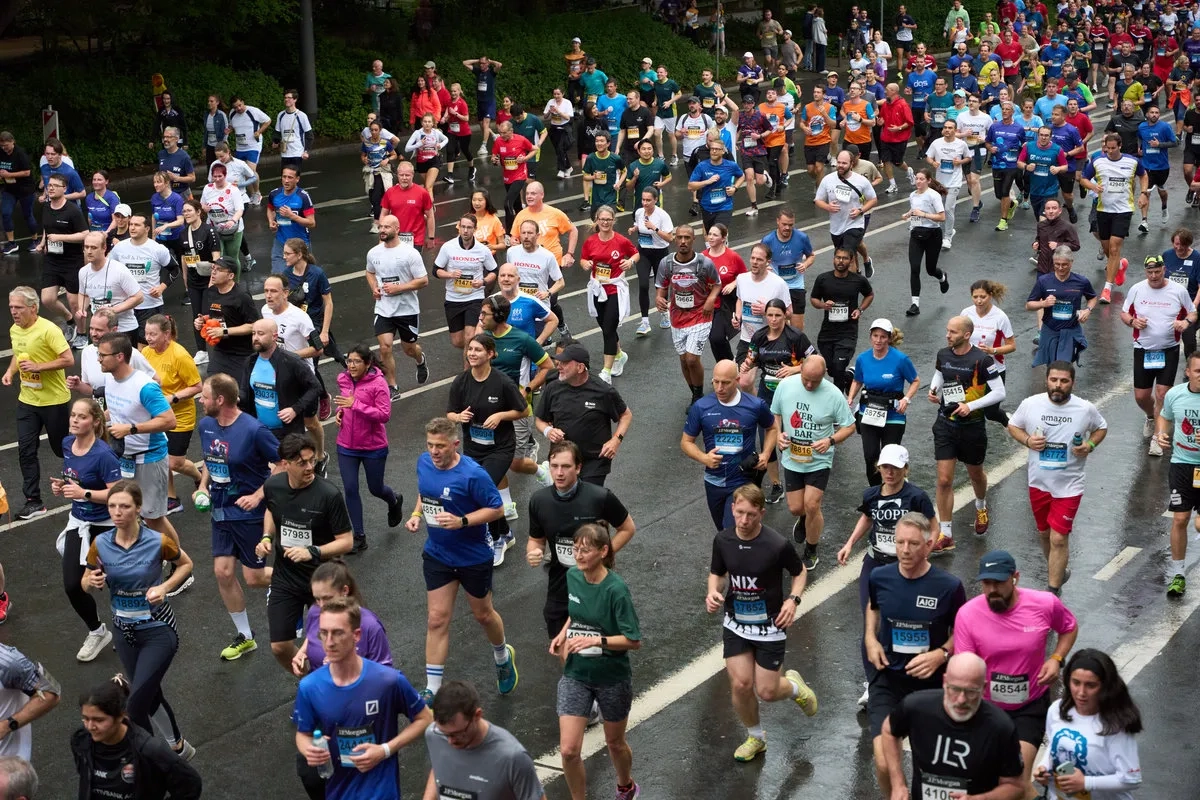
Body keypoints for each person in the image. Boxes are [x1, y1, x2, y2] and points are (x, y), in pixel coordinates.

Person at [404, 417, 516, 701]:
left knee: (483, 614)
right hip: (438, 554)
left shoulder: (473, 475)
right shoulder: (424, 463)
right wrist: (417, 515)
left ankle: (503, 656)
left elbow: (497, 510)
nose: (434, 451)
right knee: (436, 619)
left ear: (455, 444)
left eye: (440, 446)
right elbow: (425, 491)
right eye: (430, 445)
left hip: (472, 556)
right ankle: (433, 688)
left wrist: (463, 520)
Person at [83, 478, 195, 757]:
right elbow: (85, 579)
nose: (117, 512)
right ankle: (178, 749)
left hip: (158, 630)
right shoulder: (100, 544)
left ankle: (151, 762)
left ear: (138, 509)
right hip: (124, 632)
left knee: (134, 706)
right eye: (112, 506)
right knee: (150, 694)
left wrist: (165, 587)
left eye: (124, 506)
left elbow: (186, 564)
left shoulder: (158, 541)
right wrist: (92, 581)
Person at [705, 483, 815, 763]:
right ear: (733, 508)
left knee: (767, 691)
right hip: (736, 624)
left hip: (770, 626)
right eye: (739, 512)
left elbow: (800, 572)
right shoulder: (723, 540)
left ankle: (793, 687)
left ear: (762, 513)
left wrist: (793, 600)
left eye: (751, 514)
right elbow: (716, 573)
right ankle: (756, 737)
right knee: (741, 684)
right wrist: (713, 592)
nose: (744, 520)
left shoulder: (776, 544)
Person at [955, 550, 1080, 794]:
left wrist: (1056, 658)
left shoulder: (1044, 603)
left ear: (1015, 578)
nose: (992, 589)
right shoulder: (968, 614)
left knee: (1016, 780)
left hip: (1028, 707)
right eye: (986, 583)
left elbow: (1069, 627)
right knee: (987, 781)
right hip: (985, 710)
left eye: (999, 583)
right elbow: (965, 666)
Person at [866, 512, 969, 799]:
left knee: (928, 767)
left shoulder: (949, 587)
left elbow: (965, 632)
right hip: (889, 679)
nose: (905, 550)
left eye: (912, 543)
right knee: (884, 761)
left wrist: (942, 654)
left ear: (928, 545)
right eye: (900, 542)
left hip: (931, 685)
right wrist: (870, 638)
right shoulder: (880, 577)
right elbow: (873, 607)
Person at [294, 597, 432, 800]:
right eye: (324, 633)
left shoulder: (387, 681)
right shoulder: (309, 687)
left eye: (338, 633)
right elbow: (302, 734)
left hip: (382, 792)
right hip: (339, 791)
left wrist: (385, 750)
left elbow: (425, 718)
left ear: (356, 635)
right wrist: (309, 750)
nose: (329, 642)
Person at [835, 445, 936, 706]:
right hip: (875, 564)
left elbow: (932, 527)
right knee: (872, 625)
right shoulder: (871, 495)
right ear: (878, 468)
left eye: (895, 468)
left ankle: (909, 678)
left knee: (906, 623)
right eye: (885, 467)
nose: (889, 473)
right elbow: (868, 519)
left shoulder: (916, 497)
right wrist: (849, 544)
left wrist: (925, 551)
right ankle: (873, 683)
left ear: (906, 469)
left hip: (905, 567)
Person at [550, 524, 642, 800]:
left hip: (611, 676)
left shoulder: (616, 590)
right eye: (576, 548)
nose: (578, 555)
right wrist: (564, 632)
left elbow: (633, 640)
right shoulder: (573, 577)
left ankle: (626, 785)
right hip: (576, 672)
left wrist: (596, 641)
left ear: (603, 551)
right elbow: (576, 613)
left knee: (614, 742)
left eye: (585, 549)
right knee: (568, 750)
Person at [195, 373, 282, 662]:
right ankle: (246, 636)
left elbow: (282, 465)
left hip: (249, 514)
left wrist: (259, 495)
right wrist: (202, 486)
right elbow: (211, 459)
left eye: (205, 396)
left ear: (220, 400)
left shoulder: (254, 430)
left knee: (255, 578)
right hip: (220, 511)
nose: (200, 400)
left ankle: (307, 581)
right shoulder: (206, 425)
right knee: (222, 572)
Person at [256, 432, 353, 671]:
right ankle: (310, 683)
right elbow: (271, 510)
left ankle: (331, 688)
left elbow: (346, 541)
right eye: (302, 463)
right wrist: (267, 537)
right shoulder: (273, 486)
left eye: (312, 461)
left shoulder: (328, 495)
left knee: (330, 645)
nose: (310, 467)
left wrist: (313, 551)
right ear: (285, 464)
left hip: (323, 579)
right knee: (279, 646)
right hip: (285, 577)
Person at [881, 652, 1026, 800]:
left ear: (983, 688)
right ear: (944, 682)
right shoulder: (916, 707)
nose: (961, 699)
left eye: (971, 692)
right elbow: (888, 730)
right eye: (955, 689)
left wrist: (980, 799)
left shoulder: (1001, 727)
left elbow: (1016, 786)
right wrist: (898, 783)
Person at [447, 332, 528, 563]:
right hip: (473, 448)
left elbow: (523, 410)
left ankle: (497, 538)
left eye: (478, 350)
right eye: (470, 349)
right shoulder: (461, 382)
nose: (472, 353)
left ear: (491, 354)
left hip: (500, 448)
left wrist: (501, 415)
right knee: (478, 491)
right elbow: (450, 412)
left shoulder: (502, 382)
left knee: (484, 487)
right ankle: (505, 531)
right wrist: (458, 416)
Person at [771, 355, 856, 569]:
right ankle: (804, 519)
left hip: (819, 459)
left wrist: (830, 440)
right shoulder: (786, 386)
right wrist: (779, 434)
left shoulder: (834, 395)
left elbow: (849, 426)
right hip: (792, 457)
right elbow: (775, 414)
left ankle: (811, 550)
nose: (809, 385)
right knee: (795, 507)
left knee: (812, 504)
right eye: (805, 379)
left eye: (815, 381)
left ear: (824, 375)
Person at [929, 316, 1006, 549]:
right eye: (947, 330)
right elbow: (941, 374)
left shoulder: (982, 360)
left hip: (972, 427)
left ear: (966, 334)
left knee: (975, 475)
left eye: (952, 332)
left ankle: (981, 506)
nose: (947, 335)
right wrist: (934, 390)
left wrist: (970, 406)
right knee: (944, 480)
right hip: (945, 424)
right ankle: (946, 533)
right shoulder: (943, 354)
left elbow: (999, 392)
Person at [51, 397, 118, 663]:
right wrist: (63, 487)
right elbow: (74, 479)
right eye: (73, 416)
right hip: (78, 524)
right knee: (72, 585)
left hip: (106, 527)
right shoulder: (67, 445)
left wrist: (84, 492)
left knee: (117, 582)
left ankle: (133, 625)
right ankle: (98, 632)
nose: (75, 421)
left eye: (82, 417)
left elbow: (117, 493)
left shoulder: (103, 455)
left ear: (95, 422)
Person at [1035, 649, 1144, 798]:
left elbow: (1131, 779)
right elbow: (1054, 745)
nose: (1081, 692)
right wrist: (1044, 767)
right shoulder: (1057, 710)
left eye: (1091, 685)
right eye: (1076, 683)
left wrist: (1086, 782)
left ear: (1105, 686)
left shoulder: (1114, 725)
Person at [5, 286, 74, 519]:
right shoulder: (15, 329)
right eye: (11, 307)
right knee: (26, 449)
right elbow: (18, 352)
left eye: (18, 307)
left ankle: (84, 482)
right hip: (27, 400)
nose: (14, 312)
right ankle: (33, 500)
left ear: (33, 308)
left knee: (62, 448)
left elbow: (68, 359)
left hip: (54, 400)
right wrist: (10, 372)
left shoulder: (49, 330)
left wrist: (38, 367)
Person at [73, 677, 202, 799]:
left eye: (98, 720)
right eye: (85, 718)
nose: (90, 726)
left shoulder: (150, 750)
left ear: (120, 716)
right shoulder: (81, 739)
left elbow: (191, 785)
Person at [682, 360, 775, 529]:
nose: (719, 388)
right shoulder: (701, 407)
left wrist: (766, 454)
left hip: (743, 478)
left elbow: (772, 427)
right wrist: (704, 458)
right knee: (723, 532)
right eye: (715, 382)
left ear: (737, 380)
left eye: (725, 383)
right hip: (713, 480)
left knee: (733, 529)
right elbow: (686, 442)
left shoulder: (754, 405)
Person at [1122, 254, 1197, 456]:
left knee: (1162, 394)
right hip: (1143, 349)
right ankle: (1151, 415)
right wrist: (1132, 322)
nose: (1154, 276)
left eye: (1157, 271)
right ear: (1145, 272)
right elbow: (1124, 313)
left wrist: (1185, 324)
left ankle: (1157, 438)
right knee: (1141, 396)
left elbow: (1193, 312)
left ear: (1164, 270)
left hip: (1169, 349)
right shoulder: (1137, 289)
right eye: (1150, 272)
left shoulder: (1178, 291)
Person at [424, 680, 546, 800]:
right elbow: (438, 765)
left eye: (457, 734)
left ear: (477, 715)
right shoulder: (434, 735)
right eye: (445, 734)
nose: (450, 742)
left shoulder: (512, 758)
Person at [335, 344, 405, 554]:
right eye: (349, 361)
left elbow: (384, 415)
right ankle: (359, 536)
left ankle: (394, 500)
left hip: (373, 446)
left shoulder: (379, 383)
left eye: (356, 361)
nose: (351, 365)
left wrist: (354, 405)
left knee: (375, 488)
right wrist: (340, 412)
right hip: (346, 444)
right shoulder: (344, 379)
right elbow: (344, 403)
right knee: (350, 488)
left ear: (367, 364)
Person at [535, 343, 633, 486]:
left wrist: (615, 441)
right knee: (566, 502)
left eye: (565, 363)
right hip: (563, 460)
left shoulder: (603, 391)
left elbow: (626, 415)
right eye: (559, 362)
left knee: (586, 501)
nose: (559, 366)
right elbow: (540, 420)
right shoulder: (553, 388)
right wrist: (548, 431)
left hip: (594, 460)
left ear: (580, 367)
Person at [141, 315, 203, 515]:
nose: (148, 338)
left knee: (174, 461)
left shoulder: (180, 355)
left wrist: (173, 398)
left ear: (166, 334)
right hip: (158, 415)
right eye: (146, 333)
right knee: (162, 456)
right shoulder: (147, 353)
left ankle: (200, 477)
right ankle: (171, 498)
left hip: (180, 415)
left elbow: (197, 386)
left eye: (153, 334)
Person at [847, 320, 919, 485]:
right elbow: (857, 380)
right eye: (875, 336)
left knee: (889, 458)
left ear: (889, 338)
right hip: (869, 413)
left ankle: (893, 490)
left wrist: (906, 399)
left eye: (883, 337)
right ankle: (875, 492)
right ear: (870, 337)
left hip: (893, 416)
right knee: (870, 456)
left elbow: (915, 380)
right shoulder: (863, 359)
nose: (878, 340)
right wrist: (850, 397)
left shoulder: (900, 359)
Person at [1079, 132, 1148, 304]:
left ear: (1119, 146)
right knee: (1108, 248)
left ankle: (1107, 289)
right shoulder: (1098, 161)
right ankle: (1120, 265)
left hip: (1123, 210)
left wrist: (1143, 193)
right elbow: (1083, 179)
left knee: (1115, 248)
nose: (1109, 151)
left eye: (1112, 148)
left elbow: (1143, 175)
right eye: (1107, 148)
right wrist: (1093, 186)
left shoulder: (1132, 161)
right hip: (1104, 209)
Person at [367, 215, 430, 399]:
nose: (382, 230)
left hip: (407, 309)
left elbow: (423, 280)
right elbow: (369, 272)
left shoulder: (410, 253)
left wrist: (399, 288)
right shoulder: (373, 253)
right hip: (384, 308)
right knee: (385, 347)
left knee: (409, 348)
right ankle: (392, 385)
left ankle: (420, 359)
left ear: (397, 228)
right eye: (381, 227)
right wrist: (375, 288)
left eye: (387, 227)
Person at [1153, 350, 1200, 597]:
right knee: (1180, 519)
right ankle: (1177, 573)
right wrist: (1160, 434)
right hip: (1181, 464)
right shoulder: (1175, 395)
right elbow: (1164, 417)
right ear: (1188, 372)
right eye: (1198, 371)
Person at [657, 225, 720, 404]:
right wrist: (659, 298)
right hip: (677, 317)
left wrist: (710, 300)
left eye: (687, 238)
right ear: (675, 239)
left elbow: (716, 283)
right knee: (684, 360)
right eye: (679, 238)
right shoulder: (667, 263)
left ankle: (698, 397)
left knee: (692, 359)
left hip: (700, 315)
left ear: (693, 240)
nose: (683, 241)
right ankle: (694, 393)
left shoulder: (704, 263)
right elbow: (662, 286)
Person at [238, 319, 322, 444]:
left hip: (288, 433)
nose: (255, 338)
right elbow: (245, 391)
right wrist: (236, 399)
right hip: (260, 431)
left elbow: (315, 387)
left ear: (274, 337)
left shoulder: (291, 361)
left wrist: (295, 409)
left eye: (261, 334)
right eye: (253, 333)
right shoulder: (250, 361)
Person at [579, 207, 636, 382]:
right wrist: (585, 264)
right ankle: (619, 355)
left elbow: (635, 253)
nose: (605, 222)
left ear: (613, 220)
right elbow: (583, 259)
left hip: (614, 289)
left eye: (608, 219)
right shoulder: (590, 241)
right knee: (604, 326)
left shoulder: (621, 241)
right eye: (602, 219)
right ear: (596, 220)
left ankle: (606, 370)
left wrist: (630, 261)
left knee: (609, 329)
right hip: (597, 288)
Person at [808, 248, 875, 394]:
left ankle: (837, 405)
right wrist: (823, 305)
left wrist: (860, 310)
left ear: (851, 260)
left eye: (844, 258)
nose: (840, 261)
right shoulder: (823, 279)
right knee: (831, 369)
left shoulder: (858, 280)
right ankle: (849, 375)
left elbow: (869, 295)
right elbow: (814, 299)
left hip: (847, 333)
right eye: (838, 257)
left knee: (838, 366)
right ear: (833, 259)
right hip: (827, 333)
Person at [34, 174, 89, 347]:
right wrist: (43, 243)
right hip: (52, 260)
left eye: (54, 186)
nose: (50, 188)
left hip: (72, 261)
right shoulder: (46, 207)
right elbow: (47, 228)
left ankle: (82, 334)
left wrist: (61, 237)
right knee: (47, 299)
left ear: (64, 189)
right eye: (49, 185)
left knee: (74, 302)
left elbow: (85, 235)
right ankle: (69, 320)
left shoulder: (72, 211)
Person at [1029, 247, 1100, 368]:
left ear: (1071, 263)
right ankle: (1053, 385)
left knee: (1064, 366)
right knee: (1051, 366)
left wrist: (1087, 310)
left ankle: (1065, 385)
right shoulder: (1044, 281)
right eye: (1057, 264)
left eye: (1064, 265)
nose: (1060, 268)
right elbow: (1029, 304)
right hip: (1050, 330)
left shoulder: (1081, 281)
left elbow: (1092, 298)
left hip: (1070, 331)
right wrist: (1043, 304)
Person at [195, 256, 260, 383]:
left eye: (219, 269)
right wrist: (203, 320)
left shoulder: (241, 296)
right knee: (213, 385)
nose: (213, 272)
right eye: (213, 268)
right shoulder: (212, 291)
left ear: (230, 275)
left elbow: (253, 325)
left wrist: (224, 331)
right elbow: (215, 315)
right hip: (221, 352)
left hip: (241, 355)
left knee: (239, 394)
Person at [963, 281, 1017, 427]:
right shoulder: (966, 313)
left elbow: (1012, 346)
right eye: (975, 297)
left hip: (994, 368)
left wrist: (992, 350)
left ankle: (1011, 423)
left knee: (990, 412)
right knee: (969, 407)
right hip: (970, 369)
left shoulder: (1000, 317)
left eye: (983, 297)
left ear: (990, 295)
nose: (979, 301)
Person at [76, 232, 143, 338]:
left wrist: (113, 310)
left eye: (94, 248)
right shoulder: (83, 272)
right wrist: (82, 309)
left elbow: (139, 297)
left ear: (104, 248)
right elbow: (83, 294)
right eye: (86, 247)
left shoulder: (119, 270)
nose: (89, 251)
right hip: (97, 329)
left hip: (123, 329)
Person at [902, 166, 949, 316]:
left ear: (928, 181)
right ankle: (915, 304)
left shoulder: (933, 195)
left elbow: (942, 217)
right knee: (914, 268)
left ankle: (942, 277)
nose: (918, 181)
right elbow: (916, 210)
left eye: (922, 179)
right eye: (917, 178)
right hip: (916, 234)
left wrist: (923, 214)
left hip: (932, 234)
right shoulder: (912, 195)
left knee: (930, 269)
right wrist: (909, 214)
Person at [759, 208, 813, 332]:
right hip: (776, 286)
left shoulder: (802, 237)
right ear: (778, 221)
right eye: (784, 224)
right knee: (776, 323)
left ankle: (795, 350)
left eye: (790, 225)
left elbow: (811, 256)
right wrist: (765, 267)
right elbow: (760, 259)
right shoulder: (768, 240)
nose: (787, 228)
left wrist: (805, 264)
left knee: (797, 329)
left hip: (796, 286)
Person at [380, 162, 435, 252]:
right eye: (401, 175)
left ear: (412, 175)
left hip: (416, 240)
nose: (404, 178)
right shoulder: (390, 193)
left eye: (407, 175)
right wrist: (382, 234)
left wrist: (431, 237)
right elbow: (383, 215)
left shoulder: (422, 193)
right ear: (397, 175)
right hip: (395, 238)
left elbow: (430, 216)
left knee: (411, 265)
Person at [0, 132, 38, 257]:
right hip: (10, 189)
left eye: (6, 145)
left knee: (27, 215)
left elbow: (27, 172)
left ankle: (35, 240)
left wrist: (9, 175)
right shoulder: (2, 153)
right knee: (5, 213)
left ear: (12, 142)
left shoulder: (20, 154)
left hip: (25, 189)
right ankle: (12, 243)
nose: (4, 148)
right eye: (2, 145)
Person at [273, 89, 313, 171]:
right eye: (285, 97)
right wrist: (275, 142)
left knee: (293, 177)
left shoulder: (302, 116)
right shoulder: (280, 115)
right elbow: (277, 131)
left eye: (289, 98)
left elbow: (309, 135)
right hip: (285, 153)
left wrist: (306, 151)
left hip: (297, 153)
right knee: (285, 177)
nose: (286, 99)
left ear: (295, 99)